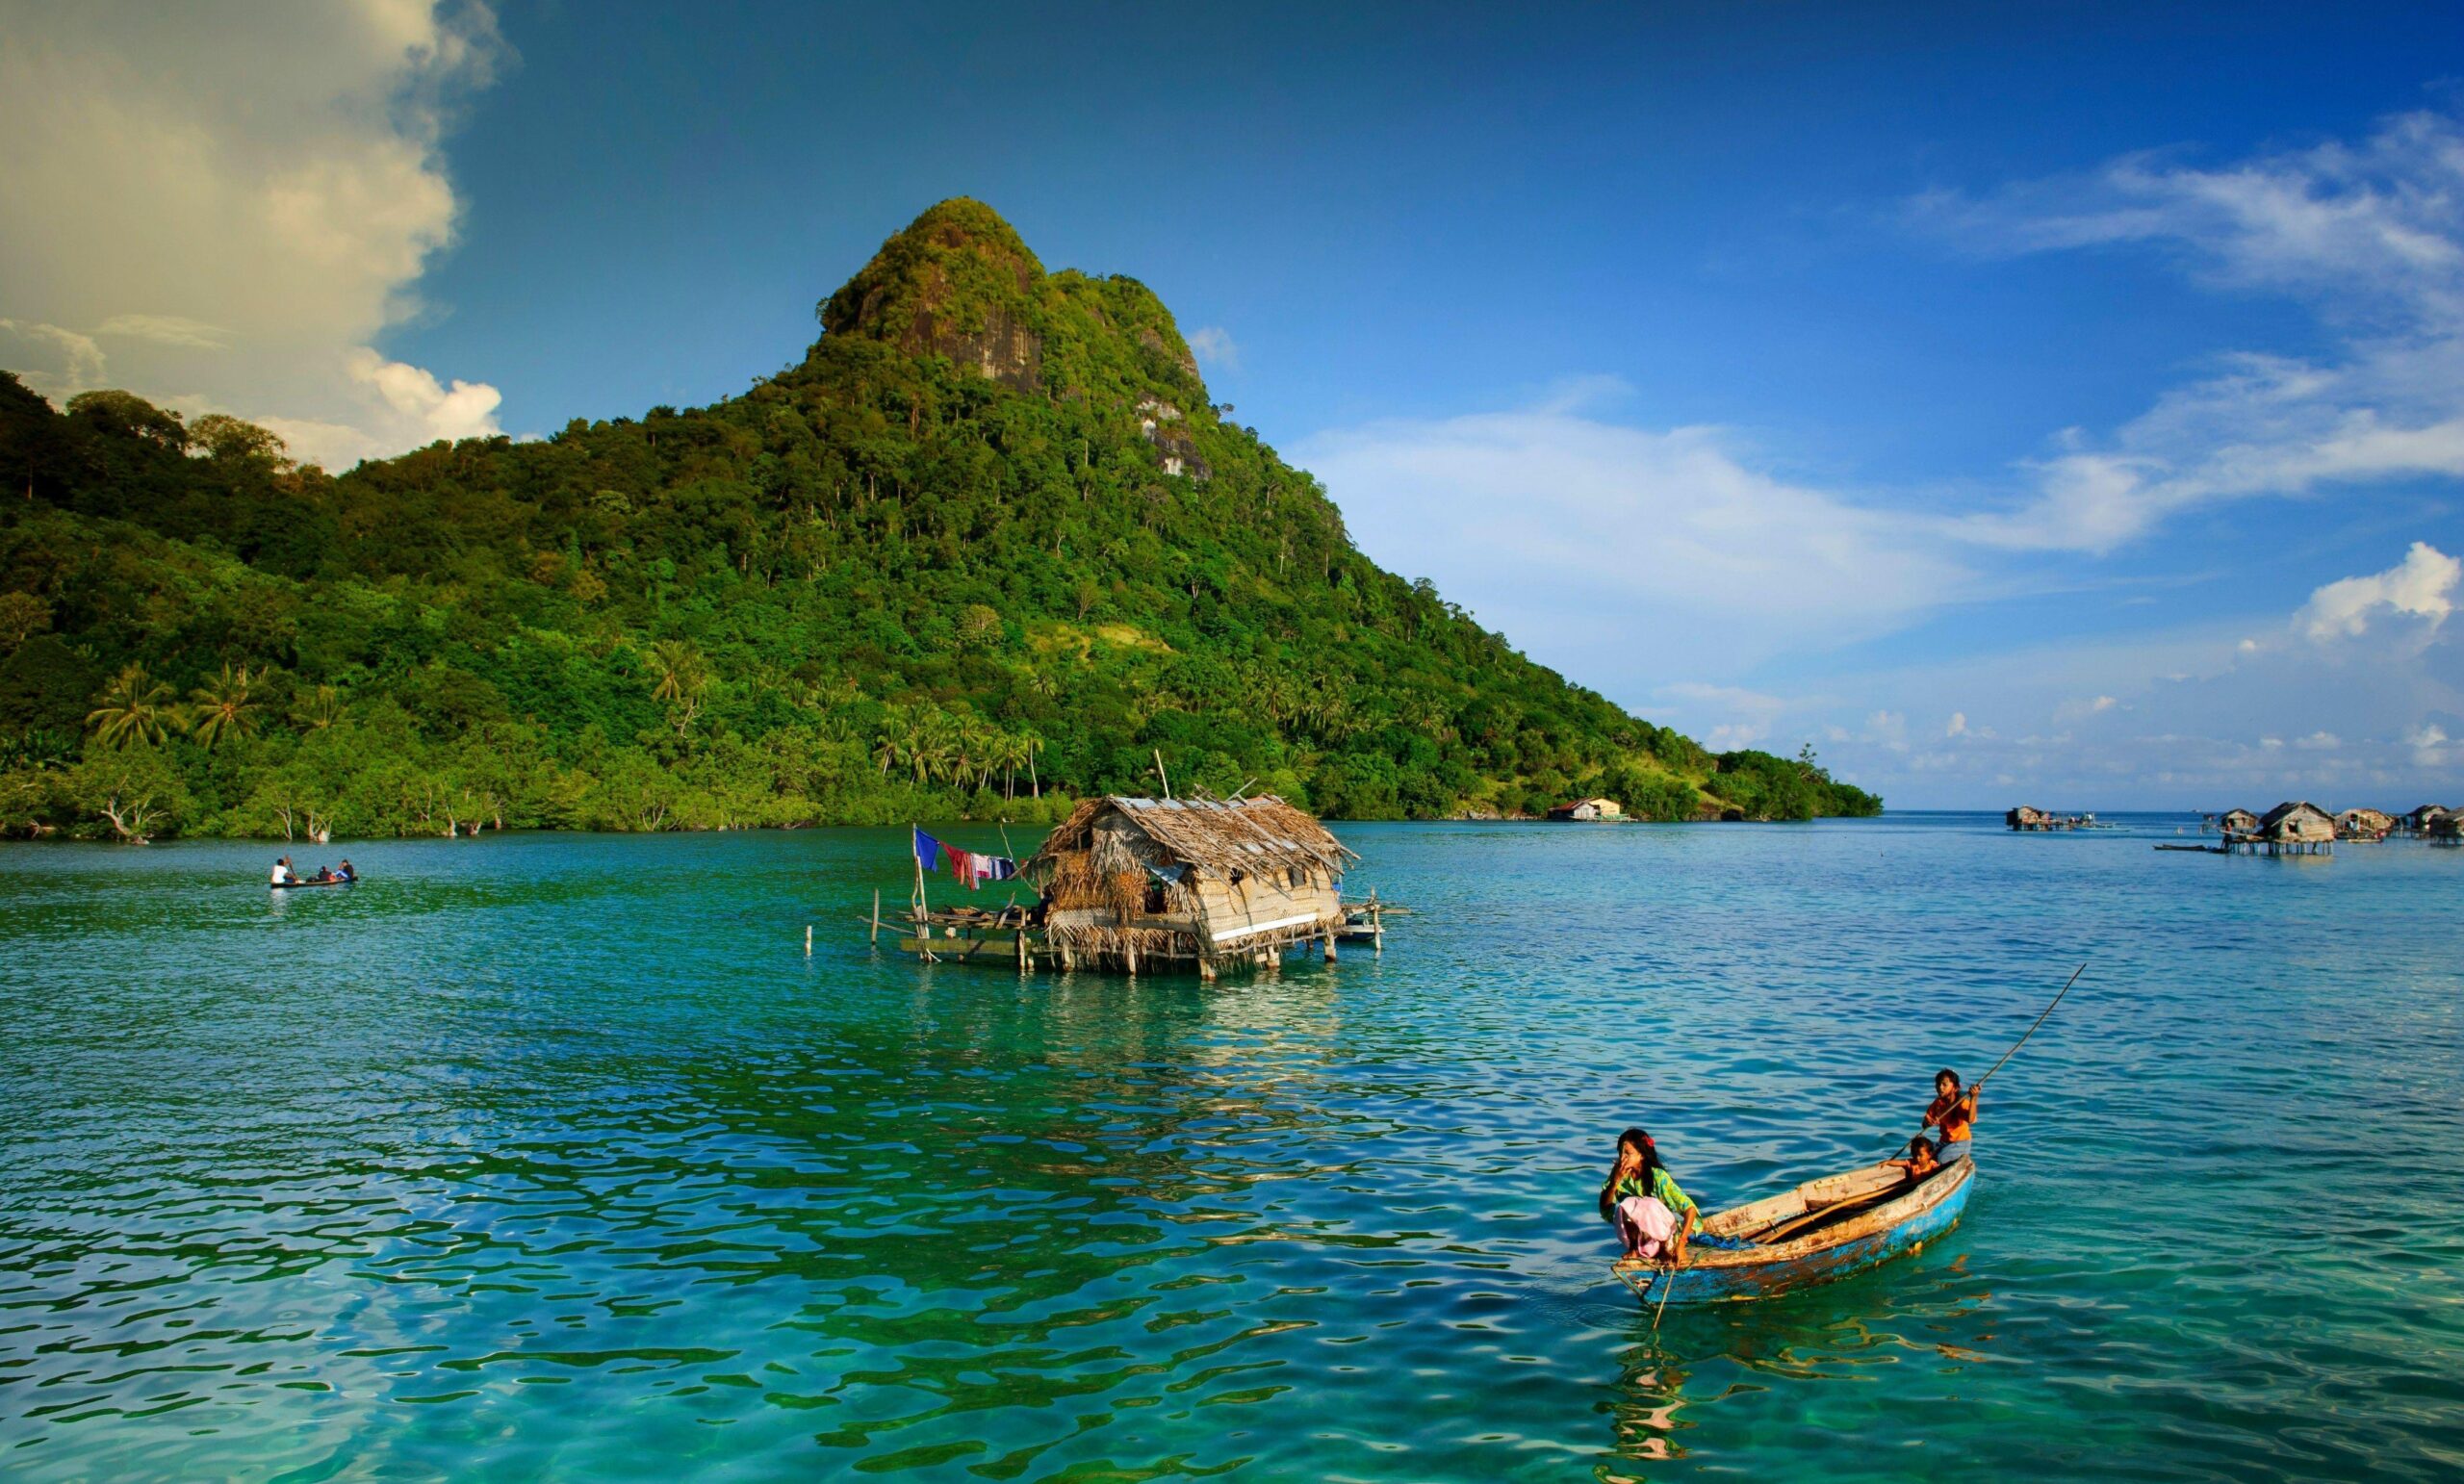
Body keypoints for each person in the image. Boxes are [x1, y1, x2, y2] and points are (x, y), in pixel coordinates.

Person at [1599, 1127, 1701, 1267]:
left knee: (1647, 1203)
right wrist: (1615, 1182)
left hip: (1666, 1236)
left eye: (1627, 1153)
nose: (1622, 1158)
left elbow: (1690, 1208)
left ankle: (1664, 1248)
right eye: (1620, 1153)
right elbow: (1606, 1211)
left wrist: (1681, 1244)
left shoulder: (1659, 1177)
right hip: (1642, 1240)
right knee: (1626, 1205)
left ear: (1641, 1155)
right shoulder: (1619, 1175)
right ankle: (1634, 1249)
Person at [1922, 1068, 1977, 1164]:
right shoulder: (1938, 1102)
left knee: (1940, 1159)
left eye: (1944, 1084)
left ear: (1955, 1088)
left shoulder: (1962, 1103)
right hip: (1944, 1142)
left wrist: (1974, 1098)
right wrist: (1928, 1123)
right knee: (1921, 1151)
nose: (1940, 1087)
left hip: (1960, 1143)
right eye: (1938, 1084)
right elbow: (1924, 1123)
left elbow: (1971, 1120)